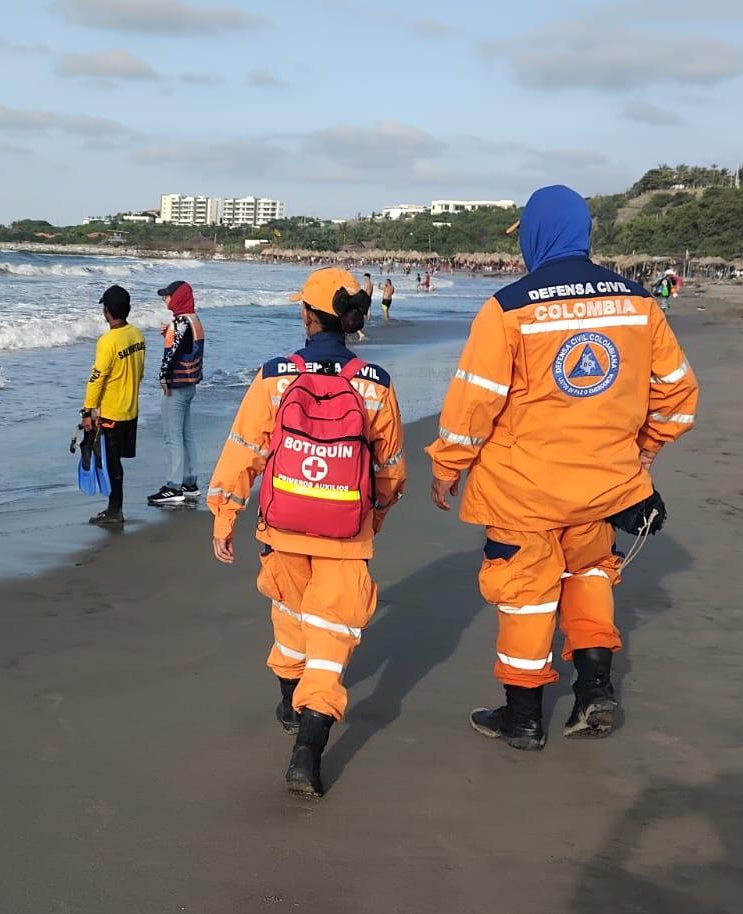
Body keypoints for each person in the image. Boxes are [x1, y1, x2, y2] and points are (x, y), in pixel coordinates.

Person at [427, 185, 700, 752]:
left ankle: (523, 718)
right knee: (591, 576)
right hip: (606, 486)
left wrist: (448, 466)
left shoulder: (508, 307)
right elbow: (677, 395)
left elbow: (474, 402)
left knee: (526, 595)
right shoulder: (639, 302)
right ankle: (595, 690)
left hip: (523, 491)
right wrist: (644, 452)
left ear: (534, 233)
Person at [207, 267, 406, 798]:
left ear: (309, 316)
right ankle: (308, 749)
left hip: (283, 529)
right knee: (331, 640)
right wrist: (374, 519)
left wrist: (224, 516)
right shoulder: (376, 384)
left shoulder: (274, 376)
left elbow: (243, 452)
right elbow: (390, 471)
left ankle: (288, 704)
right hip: (347, 533)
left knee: (289, 616)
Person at [82, 285, 146, 527]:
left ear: (107, 311)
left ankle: (115, 510)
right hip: (131, 409)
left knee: (111, 463)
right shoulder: (137, 335)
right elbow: (139, 372)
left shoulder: (108, 341)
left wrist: (88, 410)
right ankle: (114, 507)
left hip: (112, 413)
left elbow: (97, 378)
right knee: (115, 461)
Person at [148, 280, 205, 506]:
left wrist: (163, 377)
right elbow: (186, 346)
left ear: (178, 298)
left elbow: (173, 353)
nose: (165, 299)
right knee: (186, 434)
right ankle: (189, 483)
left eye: (168, 295)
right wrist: (168, 333)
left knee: (172, 437)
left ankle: (173, 486)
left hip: (176, 386)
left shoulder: (181, 322)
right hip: (190, 385)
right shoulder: (193, 319)